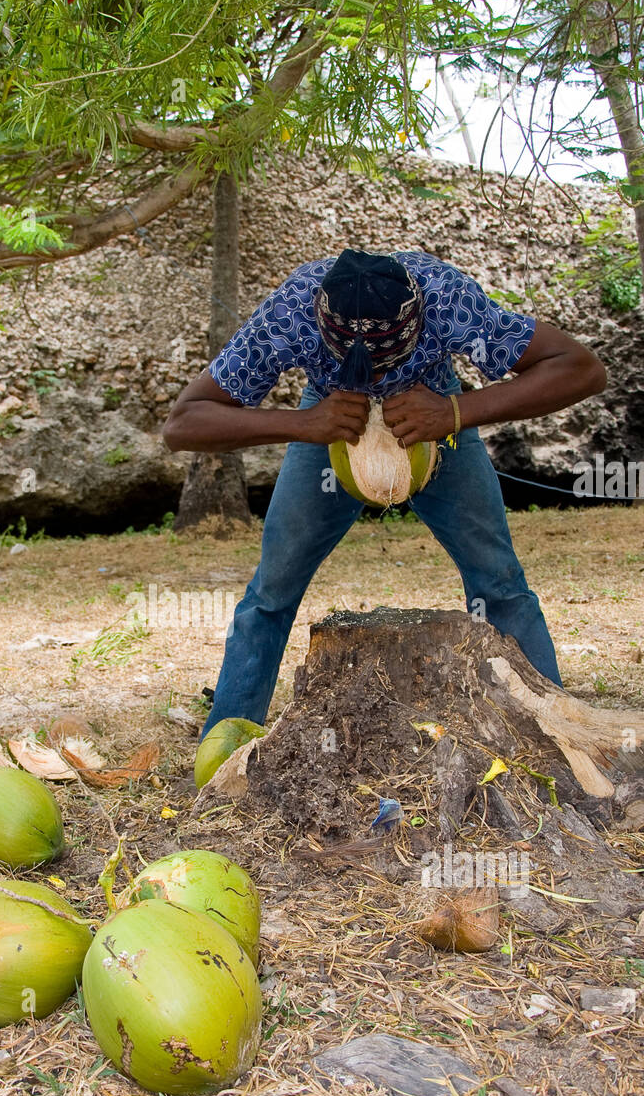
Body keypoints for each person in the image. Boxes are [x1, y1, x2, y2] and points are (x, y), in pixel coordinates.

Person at [162, 249, 607, 738]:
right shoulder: (292, 309)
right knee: (272, 590)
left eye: (383, 360)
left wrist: (452, 413)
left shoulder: (444, 297)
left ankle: (556, 738)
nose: (373, 375)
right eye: (359, 365)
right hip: (332, 420)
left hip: (431, 409)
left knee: (499, 583)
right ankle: (226, 746)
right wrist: (304, 424)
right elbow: (183, 423)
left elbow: (582, 368)